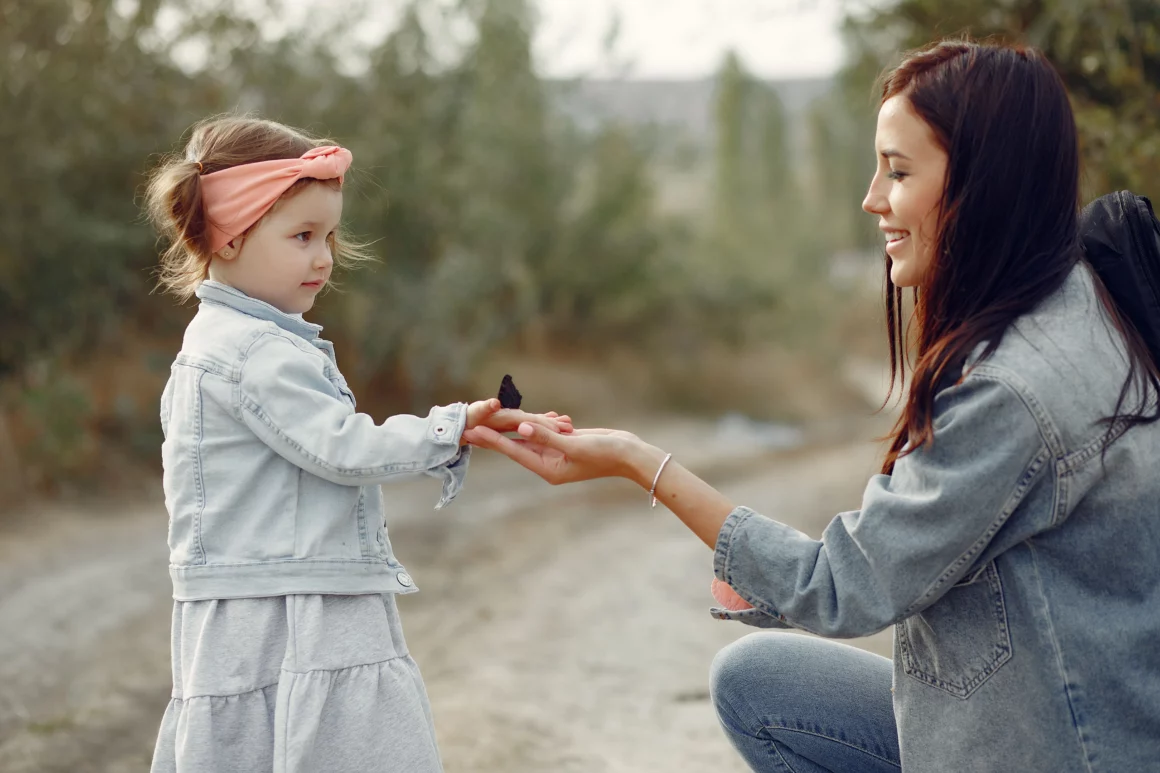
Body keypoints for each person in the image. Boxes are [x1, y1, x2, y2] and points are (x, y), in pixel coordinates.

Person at [463, 39, 1160, 772]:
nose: (871, 197)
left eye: (898, 171)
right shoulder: (1085, 299)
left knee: (757, 683)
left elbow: (837, 587)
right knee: (760, 682)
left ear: (982, 184)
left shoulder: (1008, 390)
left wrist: (639, 462)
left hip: (1062, 749)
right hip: (1056, 715)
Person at [142, 115, 571, 773]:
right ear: (227, 239)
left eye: (330, 236)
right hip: (291, 611)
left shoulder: (222, 341)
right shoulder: (253, 352)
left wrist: (458, 432)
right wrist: (444, 427)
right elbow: (340, 447)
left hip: (259, 605)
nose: (324, 257)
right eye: (303, 235)